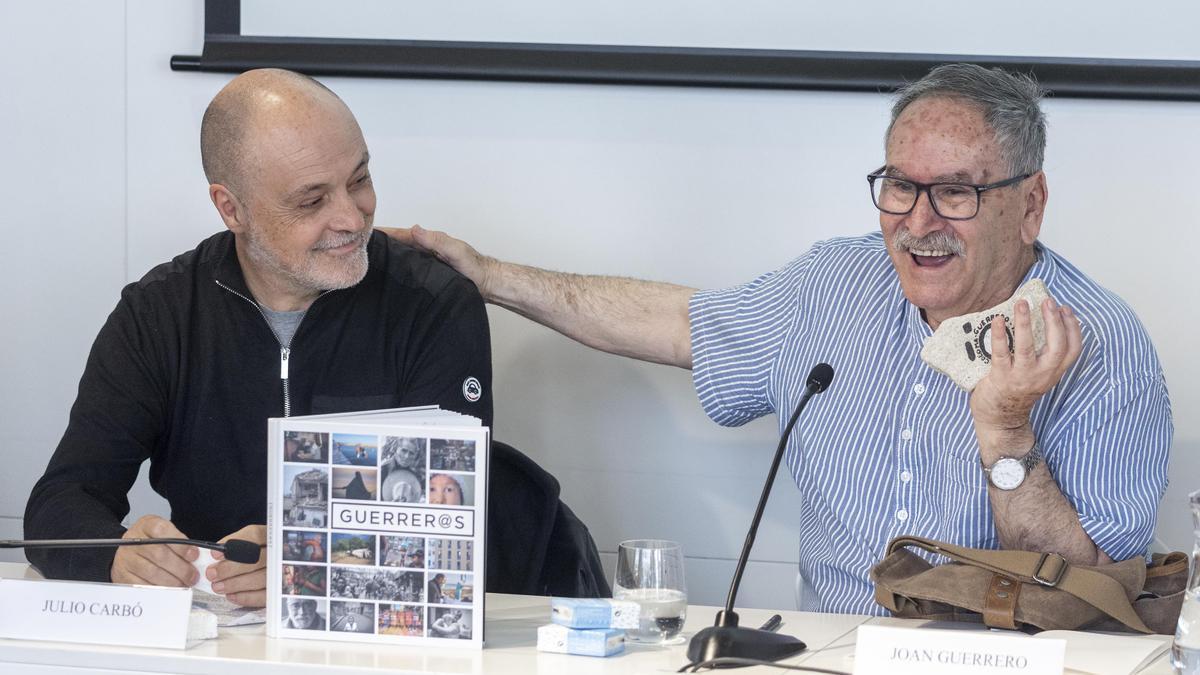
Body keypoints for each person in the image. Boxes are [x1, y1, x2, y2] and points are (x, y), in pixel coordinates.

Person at [385, 63, 1172, 615]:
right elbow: (673, 321)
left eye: (956, 192)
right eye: (900, 185)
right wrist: (487, 274)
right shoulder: (833, 284)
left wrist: (1005, 433)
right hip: (834, 651)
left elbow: (1092, 592)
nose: (918, 223)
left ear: (1029, 205)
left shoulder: (1105, 345)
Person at [23, 68, 493, 608]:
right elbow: (60, 502)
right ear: (231, 208)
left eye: (359, 179)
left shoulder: (432, 304)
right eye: (311, 201)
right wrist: (116, 555)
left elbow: (451, 528)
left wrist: (309, 563)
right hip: (217, 634)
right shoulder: (159, 314)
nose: (352, 216)